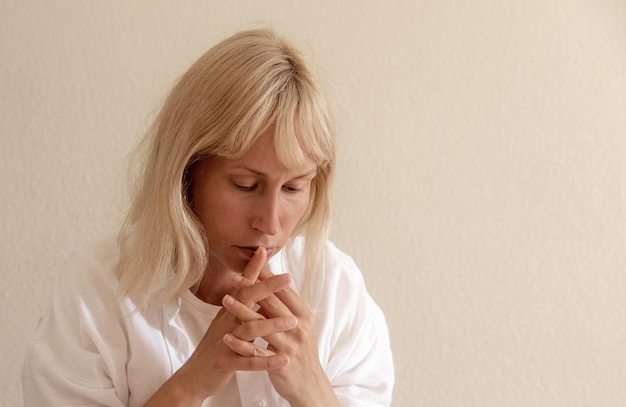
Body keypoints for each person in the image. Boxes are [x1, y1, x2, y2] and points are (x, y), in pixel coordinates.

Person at [22, 28, 394, 407]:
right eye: (246, 186)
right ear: (186, 173)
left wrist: (311, 391)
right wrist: (193, 382)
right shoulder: (97, 290)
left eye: (294, 188)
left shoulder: (335, 290)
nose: (270, 224)